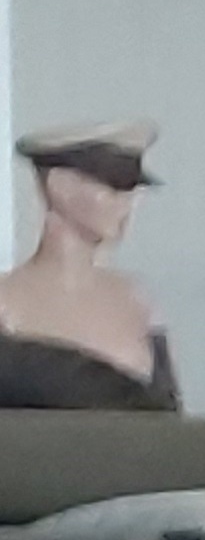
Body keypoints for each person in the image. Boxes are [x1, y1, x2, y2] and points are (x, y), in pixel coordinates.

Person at [0, 121, 179, 412]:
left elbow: (169, 421)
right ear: (60, 186)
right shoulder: (7, 302)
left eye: (131, 190)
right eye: (113, 187)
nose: (127, 205)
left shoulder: (136, 303)